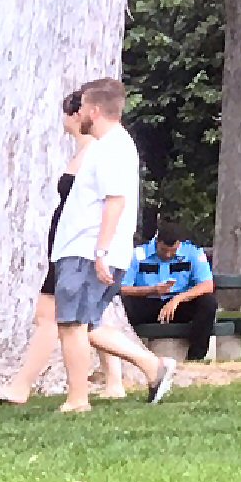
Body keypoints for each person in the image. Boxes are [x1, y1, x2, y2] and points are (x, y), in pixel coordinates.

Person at [0, 90, 126, 405]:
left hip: (80, 247)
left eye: (70, 111)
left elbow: (111, 201)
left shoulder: (97, 150)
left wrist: (101, 250)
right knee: (78, 320)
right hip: (65, 244)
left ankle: (32, 388)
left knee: (64, 319)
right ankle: (122, 377)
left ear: (79, 114)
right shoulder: (85, 150)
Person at [48, 77, 177, 412]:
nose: (78, 114)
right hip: (85, 251)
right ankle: (154, 367)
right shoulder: (108, 146)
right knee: (88, 325)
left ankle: (78, 399)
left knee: (72, 325)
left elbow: (115, 201)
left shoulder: (112, 148)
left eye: (81, 108)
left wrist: (101, 252)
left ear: (93, 110)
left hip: (88, 252)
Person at [121, 222, 218, 361]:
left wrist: (178, 299)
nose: (167, 254)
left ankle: (196, 356)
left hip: (179, 305)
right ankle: (126, 354)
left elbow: (207, 285)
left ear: (179, 244)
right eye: (163, 250)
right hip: (148, 302)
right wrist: (152, 290)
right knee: (120, 305)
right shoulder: (138, 254)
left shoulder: (193, 252)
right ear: (157, 242)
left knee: (208, 303)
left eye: (173, 251)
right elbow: (123, 288)